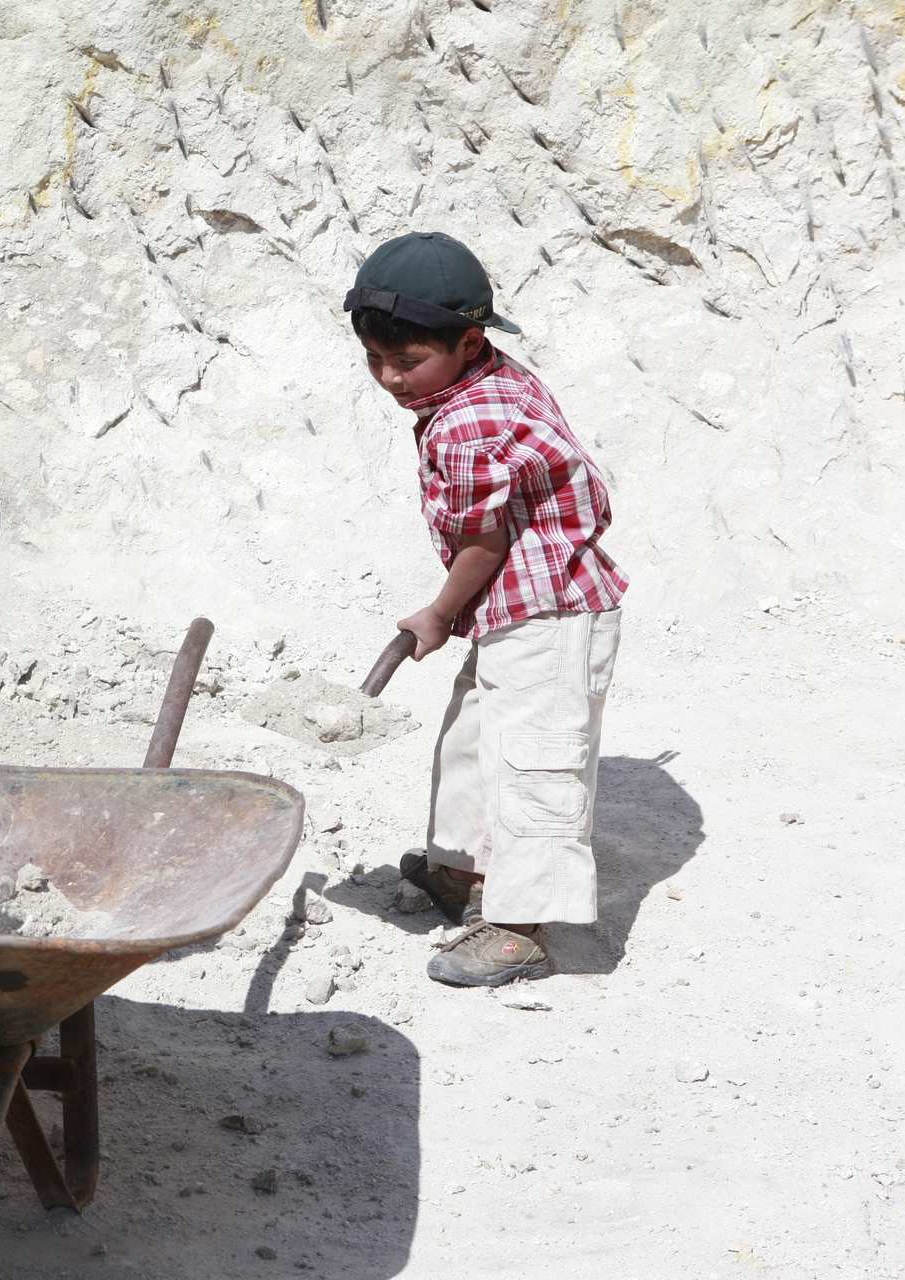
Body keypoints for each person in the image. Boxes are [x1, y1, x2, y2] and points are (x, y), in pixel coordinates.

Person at [343, 232, 627, 987]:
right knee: (473, 737)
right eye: (375, 359)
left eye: (407, 360)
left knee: (535, 760)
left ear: (468, 342)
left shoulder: (471, 422)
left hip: (554, 609)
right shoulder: (478, 381)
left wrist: (439, 613)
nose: (390, 377)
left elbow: (484, 540)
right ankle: (463, 870)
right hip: (515, 604)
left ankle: (519, 928)